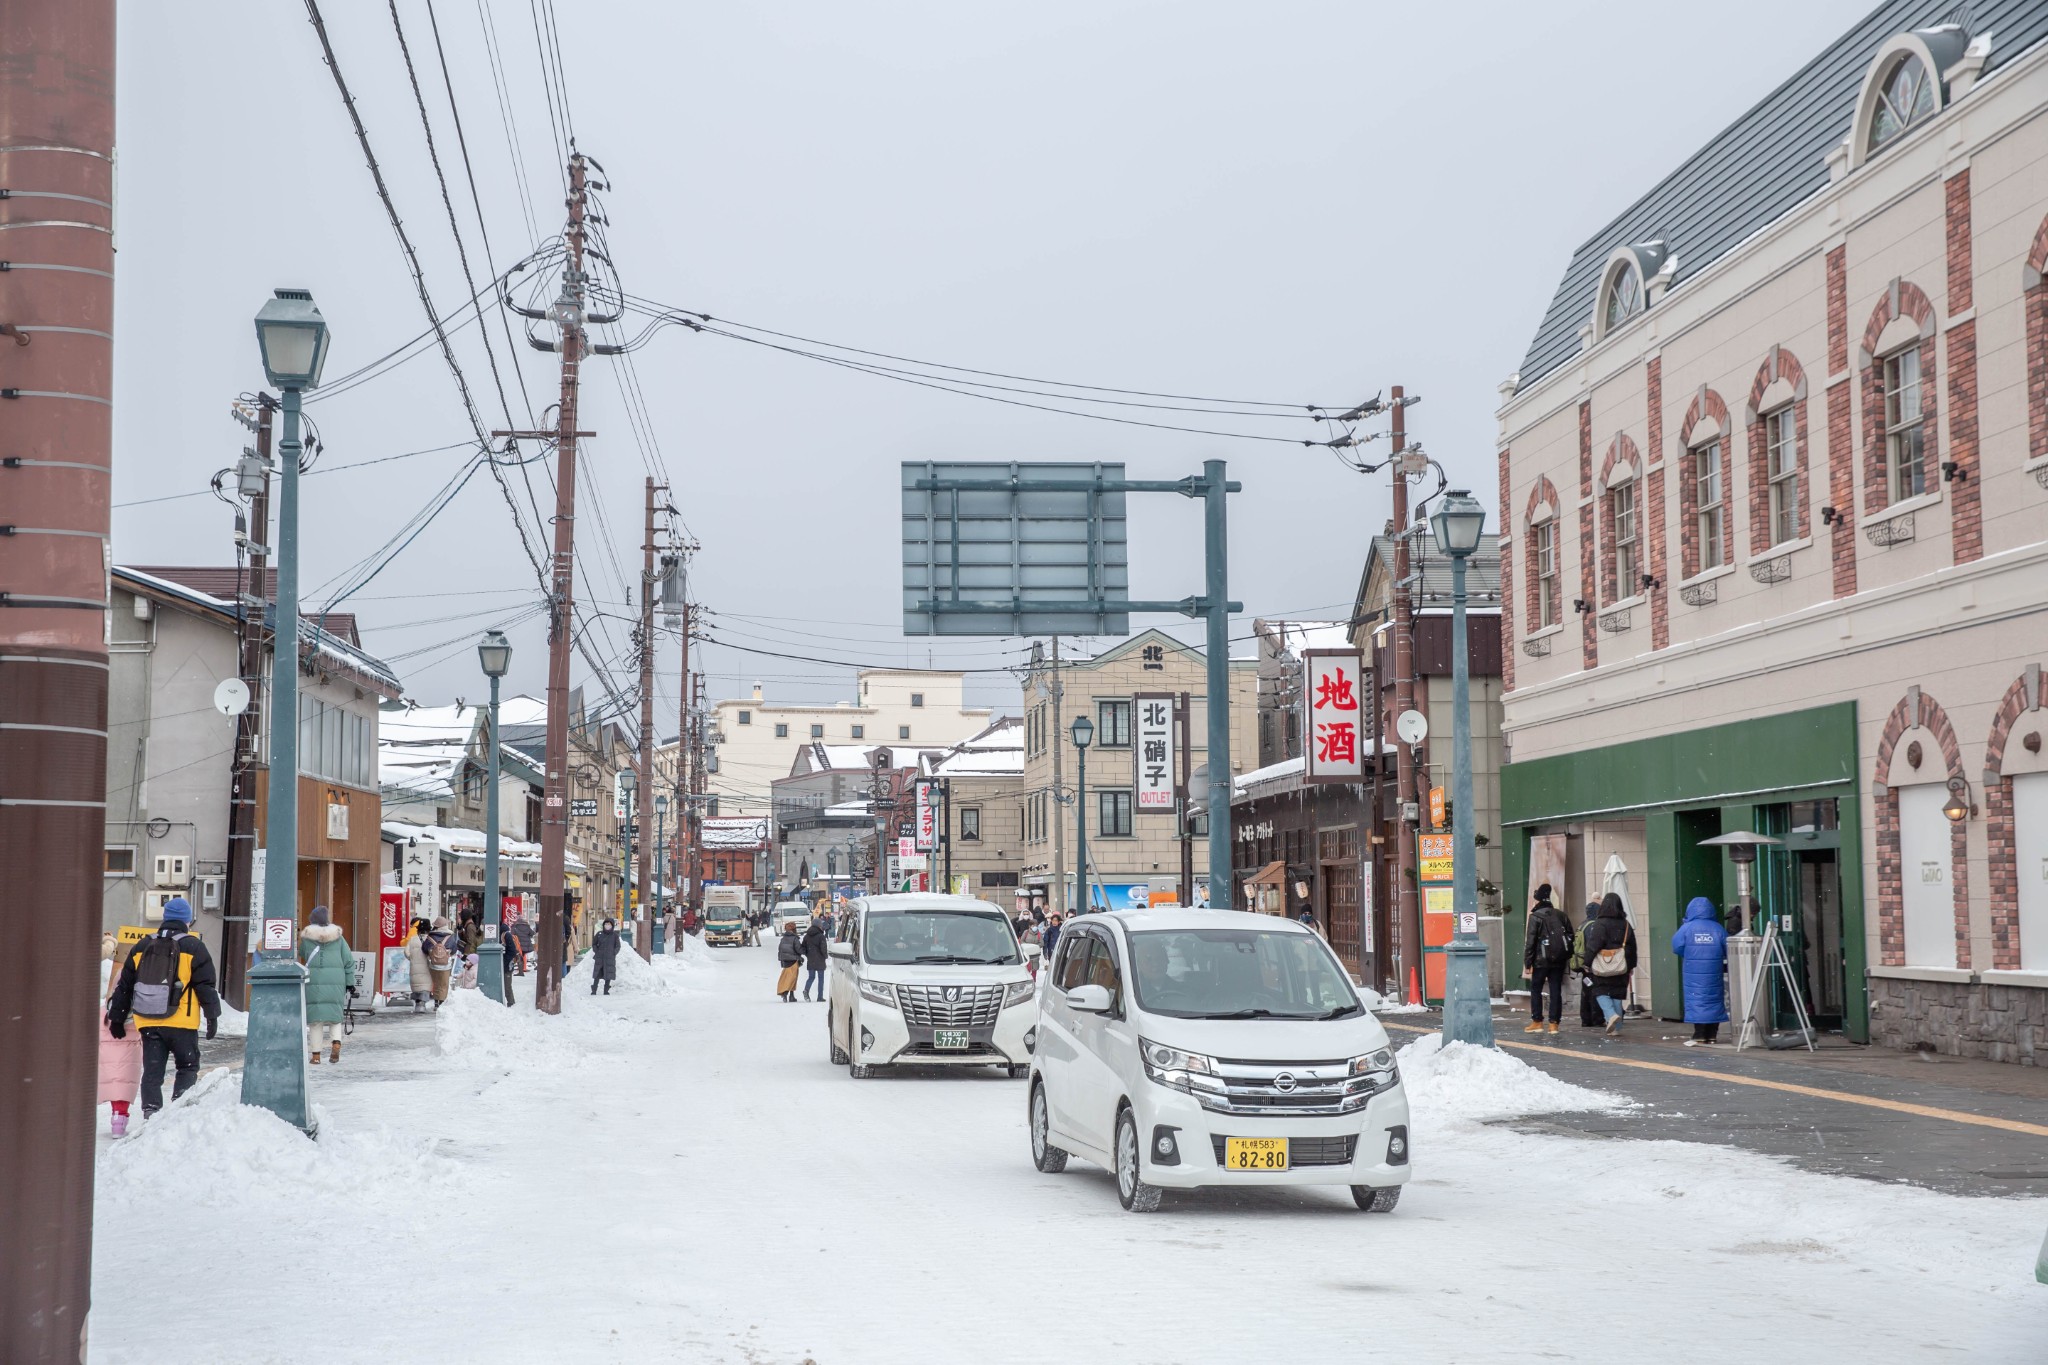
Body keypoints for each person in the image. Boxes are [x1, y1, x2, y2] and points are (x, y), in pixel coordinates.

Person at [106, 897, 221, 1119]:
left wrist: (117, 1018)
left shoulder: (142, 945)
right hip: (182, 1022)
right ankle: (180, 1110)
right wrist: (212, 1016)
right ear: (187, 921)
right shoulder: (194, 946)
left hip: (148, 1021)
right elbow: (205, 986)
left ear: (165, 919)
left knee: (152, 1071)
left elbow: (125, 986)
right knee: (187, 1066)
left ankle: (151, 1112)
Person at [298, 905, 353, 1065]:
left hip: (314, 981)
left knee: (316, 1021)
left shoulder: (307, 938)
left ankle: (316, 1056)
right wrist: (350, 983)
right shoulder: (338, 937)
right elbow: (348, 960)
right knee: (335, 1018)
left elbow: (302, 953)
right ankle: (336, 1043)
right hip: (336, 980)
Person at [99, 933, 143, 1136]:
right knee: (126, 1077)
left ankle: (117, 1116)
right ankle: (121, 1117)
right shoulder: (147, 976)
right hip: (134, 1032)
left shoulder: (121, 975)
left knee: (115, 1077)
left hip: (113, 1030)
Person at [1672, 895, 1731, 1045]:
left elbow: (1677, 946)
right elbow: (1728, 948)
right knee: (1714, 999)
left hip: (1693, 972)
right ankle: (1712, 1034)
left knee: (1697, 999)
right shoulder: (1718, 928)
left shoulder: (1687, 928)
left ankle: (1699, 1034)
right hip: (1714, 972)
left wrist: (1690, 954)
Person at [1581, 892, 1638, 1035]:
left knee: (1600, 992)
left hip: (1602, 966)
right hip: (1621, 966)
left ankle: (1611, 1015)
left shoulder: (1600, 924)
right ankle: (1616, 1029)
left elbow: (1593, 945)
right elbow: (1632, 946)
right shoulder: (1626, 925)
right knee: (1617, 995)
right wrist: (1631, 966)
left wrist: (1586, 962)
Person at [1521, 883, 1574, 1035]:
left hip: (1541, 960)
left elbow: (1530, 942)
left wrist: (1528, 962)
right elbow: (1570, 936)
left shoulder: (1535, 917)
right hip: (1558, 959)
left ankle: (1537, 1021)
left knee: (1536, 989)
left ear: (1537, 901)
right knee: (1555, 990)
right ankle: (1554, 1024)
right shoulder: (1561, 915)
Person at [1575, 901, 1604, 1029]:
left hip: (1582, 964)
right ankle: (1596, 1018)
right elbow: (1593, 946)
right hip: (1592, 965)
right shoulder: (1594, 926)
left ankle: (1585, 1019)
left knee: (1586, 991)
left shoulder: (1582, 925)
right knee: (1595, 991)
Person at [422, 916, 460, 1009]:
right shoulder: (450, 937)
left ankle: (436, 1002)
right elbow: (454, 949)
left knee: (436, 983)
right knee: (444, 984)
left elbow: (424, 948)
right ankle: (441, 1003)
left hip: (433, 964)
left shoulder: (430, 937)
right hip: (446, 965)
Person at [404, 917, 434, 1012]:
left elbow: (406, 952)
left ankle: (418, 1003)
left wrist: (412, 958)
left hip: (415, 968)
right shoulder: (430, 940)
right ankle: (422, 1004)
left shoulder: (412, 939)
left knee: (417, 986)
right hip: (426, 967)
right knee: (425, 986)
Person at [591, 917, 622, 995]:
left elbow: (618, 946)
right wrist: (596, 951)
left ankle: (606, 990)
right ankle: (594, 989)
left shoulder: (615, 935)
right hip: (600, 957)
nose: (607, 925)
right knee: (597, 974)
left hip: (609, 958)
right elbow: (594, 944)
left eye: (609, 924)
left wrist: (614, 953)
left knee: (608, 974)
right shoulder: (599, 934)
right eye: (606, 924)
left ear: (612, 925)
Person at [799, 919, 828, 1001]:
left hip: (811, 959)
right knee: (821, 979)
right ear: (819, 925)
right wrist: (825, 956)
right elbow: (823, 948)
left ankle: (806, 990)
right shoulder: (821, 936)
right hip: (820, 959)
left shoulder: (807, 936)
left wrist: (807, 954)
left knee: (811, 977)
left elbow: (803, 947)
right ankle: (820, 997)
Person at [775, 922, 803, 1002]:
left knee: (788, 978)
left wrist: (781, 958)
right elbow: (798, 949)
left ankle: (791, 995)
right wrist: (804, 951)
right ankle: (786, 993)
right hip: (793, 960)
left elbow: (780, 949)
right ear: (794, 929)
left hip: (785, 961)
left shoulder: (783, 938)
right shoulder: (795, 938)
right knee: (793, 978)